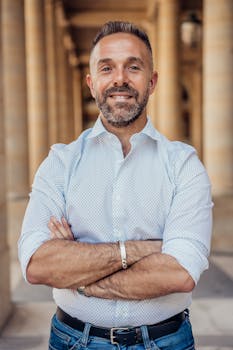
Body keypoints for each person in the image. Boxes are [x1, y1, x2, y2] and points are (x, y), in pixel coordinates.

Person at [18, 21, 213, 350]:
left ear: (152, 82)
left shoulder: (184, 165)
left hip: (166, 341)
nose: (120, 79)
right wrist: (145, 249)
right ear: (92, 83)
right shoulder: (59, 164)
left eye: (133, 67)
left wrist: (79, 277)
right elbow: (37, 265)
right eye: (107, 68)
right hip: (73, 341)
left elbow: (179, 274)